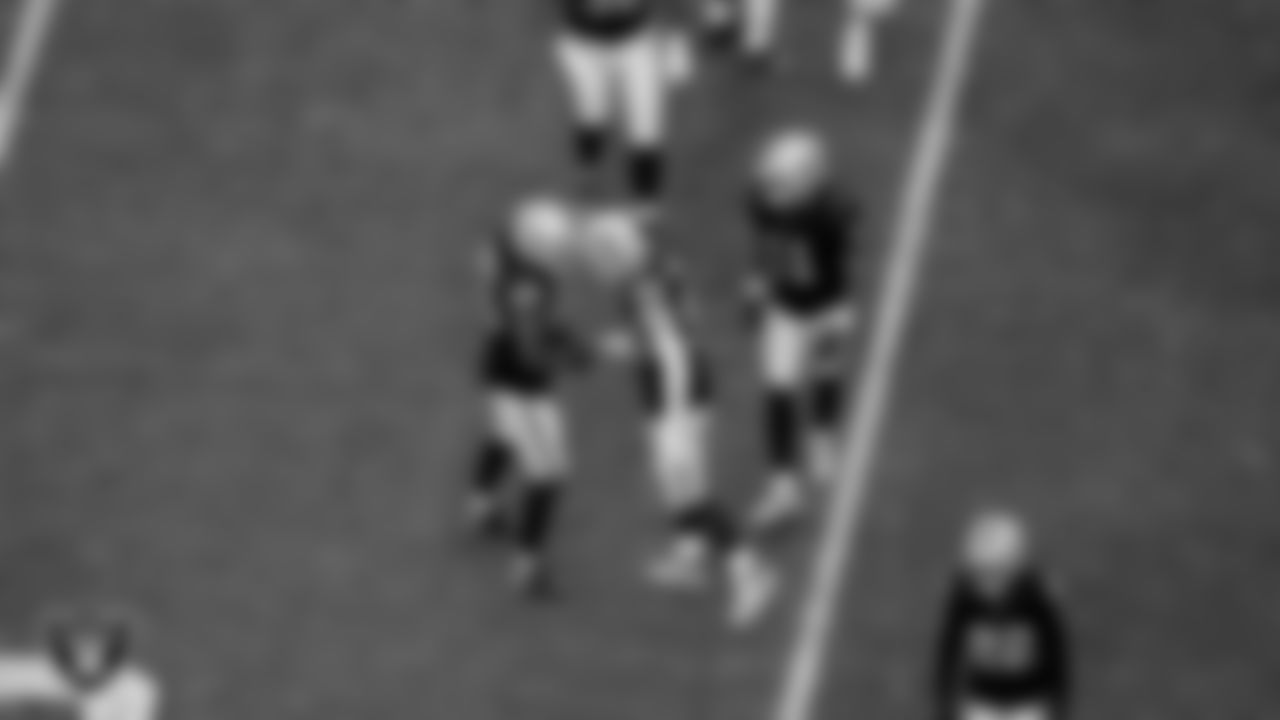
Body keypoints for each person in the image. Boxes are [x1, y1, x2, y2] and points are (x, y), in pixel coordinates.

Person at [602, 267, 779, 628]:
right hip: (674, 410)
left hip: (676, 414)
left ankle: (751, 573)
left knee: (694, 500)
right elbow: (658, 336)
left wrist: (674, 421)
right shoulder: (654, 300)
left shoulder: (655, 315)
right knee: (675, 493)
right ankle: (689, 560)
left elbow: (665, 355)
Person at [470, 196, 593, 597]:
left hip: (497, 364)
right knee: (550, 474)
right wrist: (573, 357)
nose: (560, 254)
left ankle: (480, 505)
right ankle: (527, 564)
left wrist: (558, 333)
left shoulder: (507, 251)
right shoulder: (529, 287)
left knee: (504, 435)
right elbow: (532, 354)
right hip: (521, 385)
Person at [744, 128, 860, 530]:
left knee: (826, 374)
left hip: (827, 307)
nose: (774, 189)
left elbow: (809, 273)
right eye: (773, 181)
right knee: (778, 391)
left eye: (784, 182)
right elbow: (767, 244)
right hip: (786, 310)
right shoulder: (763, 202)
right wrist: (760, 284)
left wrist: (767, 277)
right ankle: (783, 485)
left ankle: (822, 436)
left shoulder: (831, 218)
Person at [935, 511, 1071, 720]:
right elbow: (949, 649)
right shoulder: (965, 598)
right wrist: (944, 703)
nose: (989, 584)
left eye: (998, 573)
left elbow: (1055, 656)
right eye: (982, 573)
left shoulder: (1036, 601)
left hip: (1028, 701)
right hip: (982, 700)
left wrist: (1058, 705)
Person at [553, 0, 685, 211]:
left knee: (647, 125)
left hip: (637, 41)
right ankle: (588, 173)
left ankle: (647, 207)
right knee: (592, 114)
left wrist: (676, 44)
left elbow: (674, 8)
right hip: (582, 45)